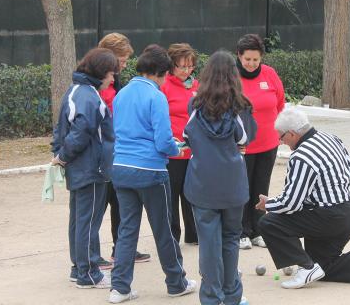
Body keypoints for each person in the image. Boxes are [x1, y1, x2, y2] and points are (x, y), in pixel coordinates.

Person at [256, 108, 350, 289]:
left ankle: (305, 268)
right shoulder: (331, 138)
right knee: (321, 266)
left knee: (269, 222)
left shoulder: (301, 155)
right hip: (348, 215)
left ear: (292, 134)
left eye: (281, 137)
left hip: (327, 218)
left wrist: (269, 204)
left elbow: (291, 203)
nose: (281, 142)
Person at [109, 44, 196, 303]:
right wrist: (178, 147)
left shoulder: (121, 93)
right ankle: (176, 282)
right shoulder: (156, 96)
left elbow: (118, 131)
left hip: (121, 169)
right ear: (159, 72)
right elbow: (162, 140)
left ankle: (120, 288)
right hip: (150, 170)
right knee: (163, 230)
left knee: (127, 229)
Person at [183, 50, 257, 305]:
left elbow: (186, 136)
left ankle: (211, 298)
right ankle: (232, 295)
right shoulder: (242, 106)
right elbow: (248, 139)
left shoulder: (194, 105)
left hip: (201, 184)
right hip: (232, 185)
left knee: (208, 243)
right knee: (230, 240)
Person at [51, 48, 118, 289]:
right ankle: (88, 273)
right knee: (88, 221)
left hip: (81, 168)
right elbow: (81, 131)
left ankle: (78, 267)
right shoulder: (89, 96)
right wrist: (63, 155)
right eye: (111, 73)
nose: (113, 79)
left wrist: (59, 153)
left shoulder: (74, 90)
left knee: (79, 220)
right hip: (92, 168)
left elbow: (60, 128)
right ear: (100, 72)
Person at [97, 33, 150, 269]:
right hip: (101, 154)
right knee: (98, 206)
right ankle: (89, 255)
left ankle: (121, 248)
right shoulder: (97, 84)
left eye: (127, 61)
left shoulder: (115, 81)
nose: (124, 65)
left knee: (120, 202)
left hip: (117, 151)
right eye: (122, 59)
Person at [236, 34, 285, 250]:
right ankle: (242, 231)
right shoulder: (232, 78)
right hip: (242, 146)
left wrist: (279, 131)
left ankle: (258, 229)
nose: (251, 64)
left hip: (268, 143)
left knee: (261, 187)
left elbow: (280, 102)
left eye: (255, 60)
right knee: (242, 188)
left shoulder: (270, 74)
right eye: (247, 59)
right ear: (239, 56)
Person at [161, 43, 199, 245]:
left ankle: (193, 233)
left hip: (193, 151)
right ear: (171, 66)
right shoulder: (164, 85)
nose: (186, 71)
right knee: (171, 195)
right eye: (181, 66)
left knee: (191, 192)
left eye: (190, 66)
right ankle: (172, 236)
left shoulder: (196, 85)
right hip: (172, 152)